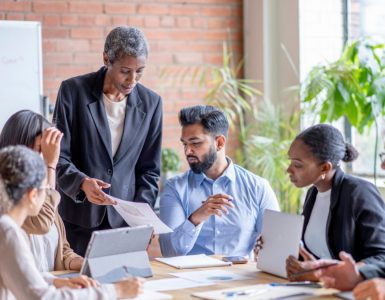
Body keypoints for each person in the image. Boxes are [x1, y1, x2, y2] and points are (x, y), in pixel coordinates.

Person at [53, 26, 163, 256]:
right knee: (82, 289)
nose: (132, 79)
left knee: (124, 289)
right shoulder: (73, 91)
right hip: (79, 221)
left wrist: (143, 217)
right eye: (125, 70)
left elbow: (149, 170)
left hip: (125, 225)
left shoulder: (152, 103)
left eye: (140, 71)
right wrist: (82, 183)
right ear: (106, 59)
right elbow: (58, 156)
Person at [0, 145, 143, 299]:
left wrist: (56, 282)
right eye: (45, 189)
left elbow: (23, 275)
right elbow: (43, 297)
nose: (49, 195)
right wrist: (116, 292)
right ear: (32, 195)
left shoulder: (7, 228)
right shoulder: (7, 232)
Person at [159, 105, 279, 257]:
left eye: (195, 143)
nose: (187, 151)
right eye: (185, 144)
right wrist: (195, 218)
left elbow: (276, 247)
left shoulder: (258, 187)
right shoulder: (175, 188)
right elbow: (169, 253)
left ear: (219, 143)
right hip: (193, 279)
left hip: (242, 279)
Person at [283, 124, 385, 281]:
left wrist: (324, 272)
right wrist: (277, 250)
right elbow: (317, 255)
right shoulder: (313, 193)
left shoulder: (360, 192)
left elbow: (381, 257)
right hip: (323, 290)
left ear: (325, 168)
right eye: (290, 162)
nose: (289, 170)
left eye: (297, 164)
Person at [0, 110, 83, 272]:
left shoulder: (40, 188)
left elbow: (63, 250)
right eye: (41, 148)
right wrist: (49, 165)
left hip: (51, 287)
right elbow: (41, 224)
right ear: (21, 145)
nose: (45, 154)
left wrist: (85, 264)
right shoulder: (5, 193)